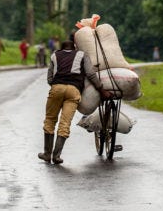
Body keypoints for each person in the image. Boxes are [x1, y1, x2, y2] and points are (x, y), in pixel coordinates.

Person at [38, 33, 110, 165]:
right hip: (74, 91)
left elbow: (49, 78)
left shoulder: (54, 55)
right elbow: (90, 74)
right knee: (65, 123)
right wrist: (101, 90)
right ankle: (57, 156)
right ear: (75, 48)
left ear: (61, 48)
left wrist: (57, 85)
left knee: (50, 120)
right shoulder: (82, 55)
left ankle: (47, 154)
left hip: (57, 88)